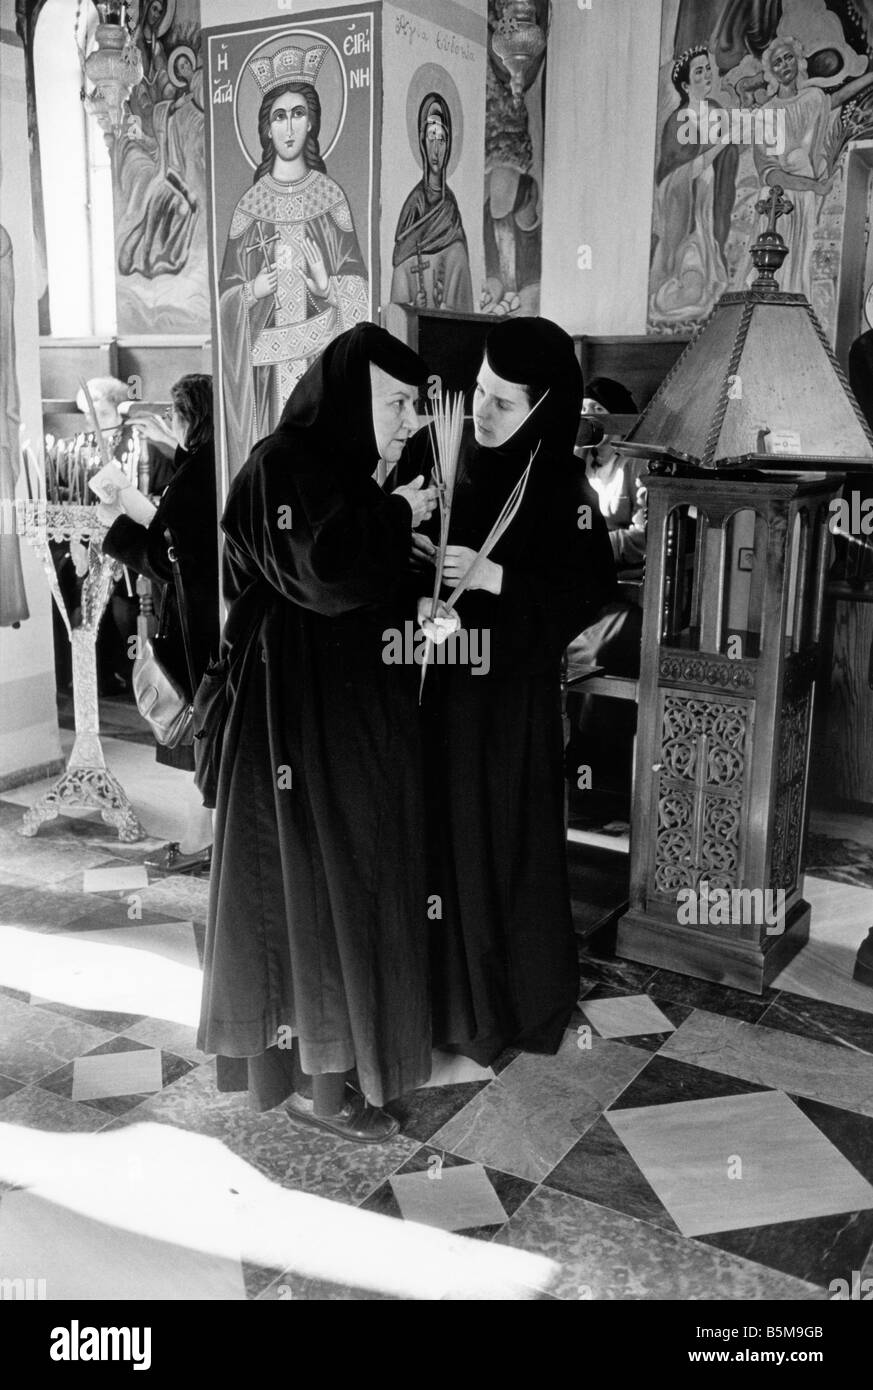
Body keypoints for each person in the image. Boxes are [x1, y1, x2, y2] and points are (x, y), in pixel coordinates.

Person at [197, 323, 438, 1143]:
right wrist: (396, 510)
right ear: (346, 397)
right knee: (307, 892)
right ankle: (318, 1089)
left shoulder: (348, 470)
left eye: (415, 404)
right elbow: (326, 577)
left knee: (354, 887)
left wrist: (420, 591)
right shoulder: (279, 465)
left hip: (348, 719)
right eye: (396, 403)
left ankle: (350, 1069)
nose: (410, 421)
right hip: (287, 725)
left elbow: (365, 578)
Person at [397, 317, 616, 1065]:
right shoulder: (455, 456)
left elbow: (589, 591)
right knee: (438, 840)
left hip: (507, 707)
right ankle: (444, 1000)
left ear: (544, 409)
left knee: (497, 843)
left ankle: (500, 1007)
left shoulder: (565, 487)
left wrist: (495, 578)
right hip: (440, 689)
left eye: (501, 403)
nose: (481, 414)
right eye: (479, 393)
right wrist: (420, 559)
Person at [218, 51, 369, 468]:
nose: (288, 126)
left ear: (312, 122)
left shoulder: (330, 197)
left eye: (298, 113)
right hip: (267, 378)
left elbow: (357, 288)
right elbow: (227, 298)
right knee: (274, 474)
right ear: (267, 128)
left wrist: (327, 286)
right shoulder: (249, 208)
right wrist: (252, 290)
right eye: (279, 116)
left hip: (320, 371)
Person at [101, 374, 219, 872]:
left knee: (195, 733)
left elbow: (168, 553)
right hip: (211, 614)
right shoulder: (212, 461)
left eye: (177, 415)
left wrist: (120, 517)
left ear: (193, 418)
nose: (171, 424)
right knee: (203, 734)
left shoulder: (195, 474)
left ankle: (198, 844)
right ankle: (204, 840)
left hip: (197, 621)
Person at [649, 46, 739, 329]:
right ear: (686, 84)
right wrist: (722, 143)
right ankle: (663, 300)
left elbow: (729, 154)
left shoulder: (714, 111)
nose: (706, 75)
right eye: (698, 71)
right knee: (695, 287)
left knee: (708, 282)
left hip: (707, 209)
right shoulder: (678, 121)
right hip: (685, 214)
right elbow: (677, 174)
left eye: (707, 68)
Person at [390, 91, 473, 311]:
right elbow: (401, 262)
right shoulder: (413, 207)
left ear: (449, 144)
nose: (436, 149)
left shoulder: (450, 209)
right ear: (421, 141)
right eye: (431, 138)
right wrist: (412, 306)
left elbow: (460, 268)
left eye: (442, 140)